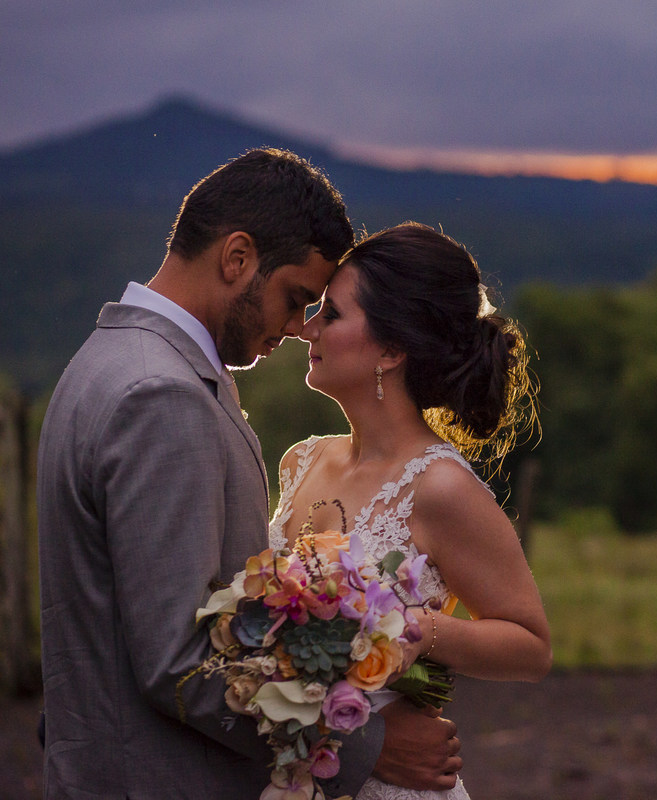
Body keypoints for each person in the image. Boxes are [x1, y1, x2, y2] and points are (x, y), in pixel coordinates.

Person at [37, 149, 463, 799]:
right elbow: (179, 660)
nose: (298, 329)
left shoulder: (106, 360)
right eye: (296, 299)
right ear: (237, 258)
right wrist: (366, 746)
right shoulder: (164, 397)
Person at [270, 221, 552, 799]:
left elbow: (531, 646)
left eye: (333, 314)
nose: (307, 328)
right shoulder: (300, 461)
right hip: (297, 770)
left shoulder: (440, 487)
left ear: (392, 350)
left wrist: (422, 631)